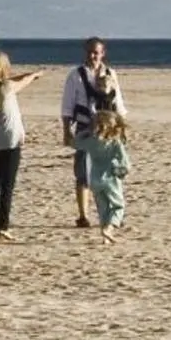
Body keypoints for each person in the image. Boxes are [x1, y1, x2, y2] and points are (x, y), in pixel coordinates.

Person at [59, 38, 125, 229]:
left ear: (102, 53)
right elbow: (67, 105)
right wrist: (66, 130)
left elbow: (118, 103)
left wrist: (121, 129)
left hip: (109, 131)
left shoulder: (111, 73)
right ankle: (83, 215)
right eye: (90, 52)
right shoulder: (76, 75)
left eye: (96, 52)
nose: (93, 56)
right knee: (83, 172)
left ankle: (113, 213)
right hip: (85, 128)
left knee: (110, 173)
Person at [0, 50, 41, 241]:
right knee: (7, 186)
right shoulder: (6, 87)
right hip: (10, 141)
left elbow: (13, 81)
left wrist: (26, 76)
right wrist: (34, 75)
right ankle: (2, 226)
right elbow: (20, 83)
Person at [81, 107, 131, 241]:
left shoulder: (91, 142)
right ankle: (109, 228)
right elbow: (125, 163)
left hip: (95, 179)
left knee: (102, 207)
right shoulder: (115, 143)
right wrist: (121, 172)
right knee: (117, 206)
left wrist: (85, 133)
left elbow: (75, 143)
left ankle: (105, 235)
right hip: (110, 178)